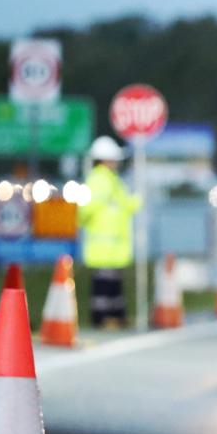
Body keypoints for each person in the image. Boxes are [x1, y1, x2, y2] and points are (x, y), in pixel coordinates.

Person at [78, 136, 140, 328]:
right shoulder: (99, 180)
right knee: (104, 285)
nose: (116, 163)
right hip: (103, 246)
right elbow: (85, 209)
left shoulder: (112, 181)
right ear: (104, 160)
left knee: (113, 284)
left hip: (113, 246)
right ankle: (102, 318)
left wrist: (139, 198)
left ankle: (115, 316)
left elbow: (125, 205)